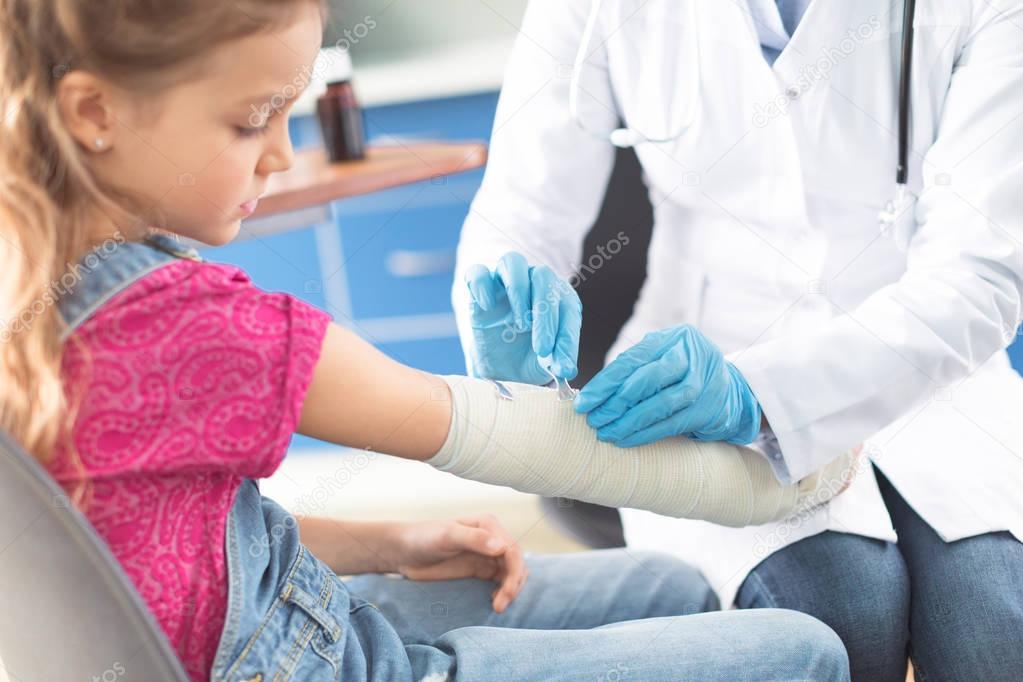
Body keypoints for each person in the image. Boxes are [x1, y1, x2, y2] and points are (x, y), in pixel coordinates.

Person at [0, 1, 854, 680]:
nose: (281, 157)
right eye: (251, 121)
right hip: (311, 663)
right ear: (94, 111)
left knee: (673, 586)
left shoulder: (32, 278)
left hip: (250, 630)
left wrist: (391, 543)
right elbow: (492, 431)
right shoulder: (192, 322)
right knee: (802, 651)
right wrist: (785, 443)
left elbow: (170, 538)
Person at [453, 1, 1023, 680]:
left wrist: (760, 391)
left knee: (989, 624)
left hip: (929, 365)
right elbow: (520, 211)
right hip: (693, 371)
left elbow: (977, 274)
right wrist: (501, 298)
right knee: (835, 612)